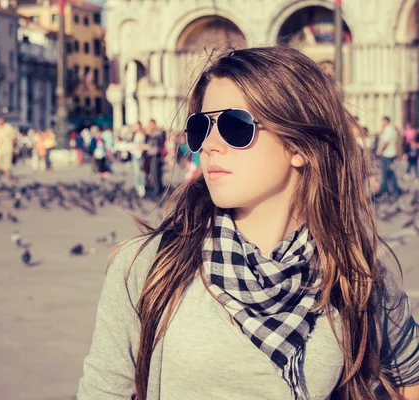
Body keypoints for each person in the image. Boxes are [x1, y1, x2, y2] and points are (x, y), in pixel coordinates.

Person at [77, 47, 419, 400]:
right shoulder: (151, 266)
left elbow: (411, 373)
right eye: (200, 127)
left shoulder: (351, 271)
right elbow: (104, 391)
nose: (208, 145)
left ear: (299, 145)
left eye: (234, 126)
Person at [375, 116, 403, 199]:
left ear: (386, 121)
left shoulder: (388, 129)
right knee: (390, 173)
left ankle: (385, 191)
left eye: (382, 121)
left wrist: (380, 152)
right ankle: (395, 190)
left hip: (386, 155)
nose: (382, 123)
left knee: (385, 174)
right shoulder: (391, 129)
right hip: (390, 154)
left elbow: (385, 142)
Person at [0, 116, 15, 186]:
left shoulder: (9, 127)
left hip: (7, 149)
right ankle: (1, 180)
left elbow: (13, 138)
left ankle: (7, 180)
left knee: (7, 167)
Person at [146, 119, 166, 198]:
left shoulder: (157, 133)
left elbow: (157, 138)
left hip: (155, 155)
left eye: (151, 124)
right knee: (155, 172)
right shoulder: (153, 133)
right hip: (151, 154)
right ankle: (158, 188)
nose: (150, 126)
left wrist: (149, 133)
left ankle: (157, 190)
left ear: (154, 124)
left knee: (156, 173)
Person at [130, 121, 147, 198]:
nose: (135, 127)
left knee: (141, 172)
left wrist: (141, 148)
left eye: (136, 126)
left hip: (140, 155)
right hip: (134, 154)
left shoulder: (142, 134)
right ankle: (138, 187)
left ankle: (142, 187)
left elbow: (144, 145)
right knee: (136, 172)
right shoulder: (134, 134)